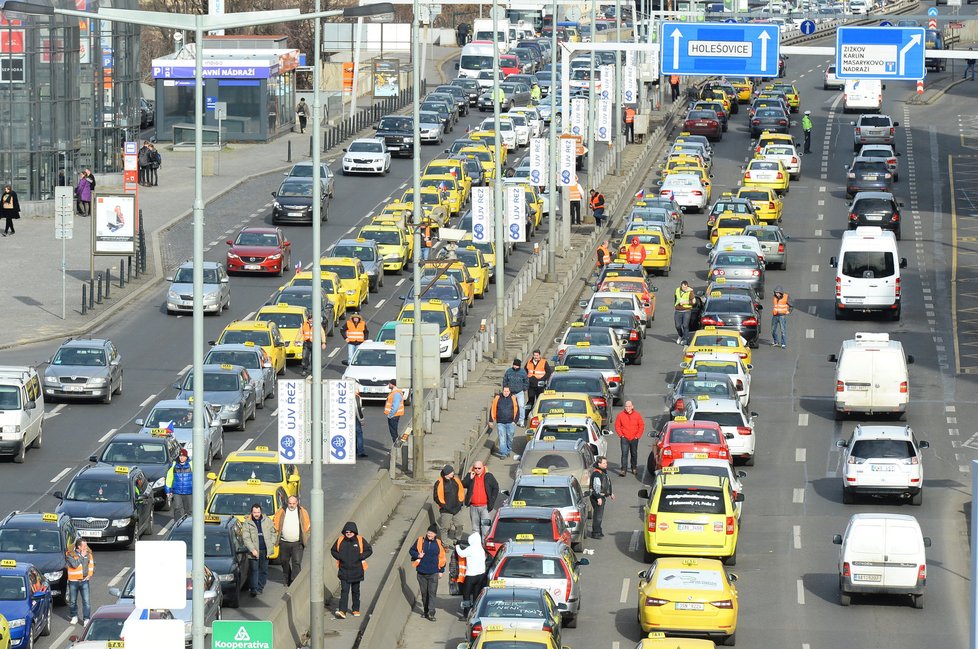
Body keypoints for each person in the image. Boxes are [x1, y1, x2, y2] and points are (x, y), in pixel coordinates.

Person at [331, 521, 373, 619]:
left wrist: (362, 556)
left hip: (357, 571)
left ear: (354, 532)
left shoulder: (360, 540)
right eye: (347, 532)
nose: (348, 533)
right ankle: (342, 611)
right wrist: (339, 557)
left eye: (350, 532)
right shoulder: (340, 540)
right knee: (344, 591)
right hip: (343, 571)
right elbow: (333, 551)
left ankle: (356, 609)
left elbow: (369, 550)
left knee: (355, 591)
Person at [409, 524, 446, 621]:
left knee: (432, 593)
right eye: (429, 532)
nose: (430, 534)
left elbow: (442, 557)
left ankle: (431, 613)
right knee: (424, 593)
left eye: (432, 533)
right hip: (421, 572)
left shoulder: (438, 543)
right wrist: (418, 555)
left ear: (435, 535)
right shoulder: (420, 540)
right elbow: (411, 551)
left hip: (433, 572)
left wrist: (441, 570)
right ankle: (425, 611)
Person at [273, 495, 311, 587]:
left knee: (296, 562)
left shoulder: (302, 512)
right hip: (284, 542)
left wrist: (305, 538)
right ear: (287, 503)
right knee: (284, 561)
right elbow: (275, 525)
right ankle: (287, 579)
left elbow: (307, 527)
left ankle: (295, 583)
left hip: (297, 543)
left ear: (297, 503)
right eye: (290, 503)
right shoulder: (281, 511)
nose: (292, 505)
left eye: (294, 503)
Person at [242, 503, 278, 596]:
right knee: (254, 570)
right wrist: (252, 549)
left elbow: (273, 532)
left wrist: (272, 543)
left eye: (258, 512)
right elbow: (246, 538)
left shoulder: (267, 521)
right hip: (254, 551)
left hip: (265, 550)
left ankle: (260, 587)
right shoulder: (247, 523)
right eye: (254, 512)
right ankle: (253, 589)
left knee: (263, 570)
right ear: (251, 512)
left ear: (261, 512)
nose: (256, 514)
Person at [461, 461, 499, 536]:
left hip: (485, 507)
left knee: (486, 528)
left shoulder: (489, 476)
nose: (477, 470)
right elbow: (463, 484)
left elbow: (496, 487)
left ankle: (484, 546)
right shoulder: (470, 475)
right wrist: (470, 478)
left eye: (479, 468)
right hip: (473, 507)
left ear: (483, 467)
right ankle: (477, 546)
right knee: (475, 529)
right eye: (475, 468)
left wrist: (492, 500)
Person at [454, 531, 487, 616]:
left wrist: (457, 545)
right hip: (481, 575)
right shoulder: (481, 549)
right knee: (476, 595)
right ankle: (475, 612)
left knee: (466, 595)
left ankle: (466, 614)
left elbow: (461, 554)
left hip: (471, 576)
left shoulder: (471, 549)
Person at [433, 464, 466, 548]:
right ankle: (445, 544)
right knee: (445, 528)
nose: (453, 473)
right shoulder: (439, 483)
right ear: (446, 473)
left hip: (457, 508)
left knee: (460, 525)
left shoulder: (456, 480)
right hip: (446, 510)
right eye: (451, 472)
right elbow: (436, 497)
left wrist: (460, 503)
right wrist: (444, 506)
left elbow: (461, 492)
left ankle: (457, 540)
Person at [65, 539, 94, 625]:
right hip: (73, 581)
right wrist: (81, 556)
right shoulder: (70, 554)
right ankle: (74, 616)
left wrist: (90, 574)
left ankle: (86, 619)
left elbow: (91, 564)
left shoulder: (88, 554)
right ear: (79, 547)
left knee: (86, 602)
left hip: (84, 580)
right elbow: (74, 565)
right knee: (73, 601)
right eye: (84, 546)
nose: (86, 547)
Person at [614, 401, 645, 476]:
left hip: (634, 438)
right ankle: (623, 470)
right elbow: (617, 426)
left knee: (634, 453)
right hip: (624, 438)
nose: (627, 408)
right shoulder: (620, 415)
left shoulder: (637, 415)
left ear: (632, 407)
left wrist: (637, 436)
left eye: (629, 406)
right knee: (624, 454)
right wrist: (621, 435)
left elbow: (641, 425)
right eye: (626, 406)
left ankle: (634, 468)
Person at [490, 386, 519, 459]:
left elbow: (517, 410)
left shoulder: (513, 398)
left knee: (510, 437)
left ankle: (508, 449)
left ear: (509, 392)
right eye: (504, 391)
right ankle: (503, 453)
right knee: (502, 437)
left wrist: (515, 421)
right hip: (500, 422)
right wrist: (491, 420)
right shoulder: (497, 398)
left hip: (511, 422)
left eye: (507, 391)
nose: (506, 393)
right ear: (502, 391)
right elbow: (493, 408)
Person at [588, 456, 614, 539]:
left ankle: (599, 530)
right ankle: (595, 533)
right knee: (598, 516)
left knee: (599, 515)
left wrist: (610, 493)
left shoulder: (603, 472)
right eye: (604, 463)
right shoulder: (596, 474)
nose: (606, 464)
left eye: (606, 463)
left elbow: (607, 483)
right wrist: (598, 497)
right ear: (599, 464)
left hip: (602, 496)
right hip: (597, 497)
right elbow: (596, 487)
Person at [165, 448, 193, 521]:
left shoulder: (191, 464)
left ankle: (189, 527)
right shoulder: (174, 465)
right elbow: (169, 478)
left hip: (189, 492)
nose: (182, 458)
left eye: (183, 456)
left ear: (186, 457)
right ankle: (177, 526)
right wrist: (168, 490)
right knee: (177, 509)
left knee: (189, 510)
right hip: (177, 492)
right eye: (180, 456)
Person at [502, 358, 529, 427]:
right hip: (510, 393)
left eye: (516, 365)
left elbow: (526, 381)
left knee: (521, 406)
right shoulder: (509, 371)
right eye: (514, 365)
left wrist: (524, 388)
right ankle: (511, 420)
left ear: (519, 366)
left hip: (520, 392)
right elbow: (505, 380)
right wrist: (505, 389)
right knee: (510, 407)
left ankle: (521, 421)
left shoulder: (523, 372)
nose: (515, 367)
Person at [771, 285, 793, 349]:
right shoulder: (774, 297)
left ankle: (783, 343)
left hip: (782, 316)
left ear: (781, 293)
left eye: (778, 293)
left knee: (783, 330)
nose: (776, 294)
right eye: (776, 293)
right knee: (773, 330)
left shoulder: (786, 297)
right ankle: (776, 341)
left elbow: (791, 305)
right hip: (775, 315)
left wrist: (789, 311)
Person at [674, 280, 695, 345]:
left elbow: (694, 302)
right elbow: (675, 298)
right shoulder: (677, 290)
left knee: (685, 325)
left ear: (687, 286)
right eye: (683, 287)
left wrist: (685, 302)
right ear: (681, 286)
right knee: (677, 326)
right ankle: (680, 335)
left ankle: (686, 339)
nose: (684, 288)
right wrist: (676, 305)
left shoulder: (690, 292)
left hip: (686, 311)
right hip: (678, 311)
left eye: (686, 287)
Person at [385, 380, 405, 444]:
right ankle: (397, 446)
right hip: (395, 415)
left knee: (393, 432)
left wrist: (390, 415)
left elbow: (395, 406)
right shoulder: (395, 392)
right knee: (394, 432)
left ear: (393, 384)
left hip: (394, 415)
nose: (388, 385)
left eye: (389, 383)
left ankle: (397, 447)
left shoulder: (396, 393)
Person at [354, 383, 368, 458]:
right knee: (359, 433)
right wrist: (362, 420)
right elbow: (358, 409)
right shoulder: (356, 397)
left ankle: (352, 449)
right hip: (354, 418)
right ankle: (360, 451)